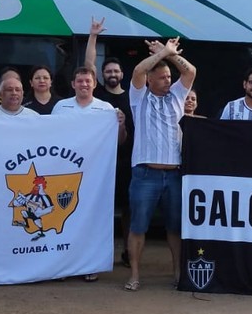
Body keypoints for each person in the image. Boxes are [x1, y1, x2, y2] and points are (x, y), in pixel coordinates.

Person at [126, 37, 196, 292]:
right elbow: (138, 71)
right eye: (163, 77)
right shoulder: (138, 97)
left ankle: (178, 272)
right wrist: (162, 54)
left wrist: (169, 54)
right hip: (145, 173)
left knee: (175, 227)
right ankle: (134, 275)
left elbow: (190, 71)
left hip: (174, 173)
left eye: (169, 76)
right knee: (138, 226)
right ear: (151, 81)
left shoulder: (178, 94)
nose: (169, 80)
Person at [52, 66, 128, 282]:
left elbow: (120, 141)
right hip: (65, 173)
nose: (84, 84)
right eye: (80, 81)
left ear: (94, 84)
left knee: (92, 220)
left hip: (95, 175)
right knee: (65, 219)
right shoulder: (61, 107)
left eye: (88, 81)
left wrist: (121, 125)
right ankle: (62, 265)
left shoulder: (106, 109)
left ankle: (90, 265)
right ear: (73, 84)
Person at [84, 17, 135, 268]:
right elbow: (88, 64)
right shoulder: (98, 95)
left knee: (128, 210)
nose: (112, 74)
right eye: (108, 71)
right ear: (101, 75)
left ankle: (128, 252)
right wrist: (93, 36)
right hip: (99, 163)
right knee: (98, 208)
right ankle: (96, 252)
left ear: (122, 74)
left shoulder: (133, 98)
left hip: (126, 161)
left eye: (116, 71)